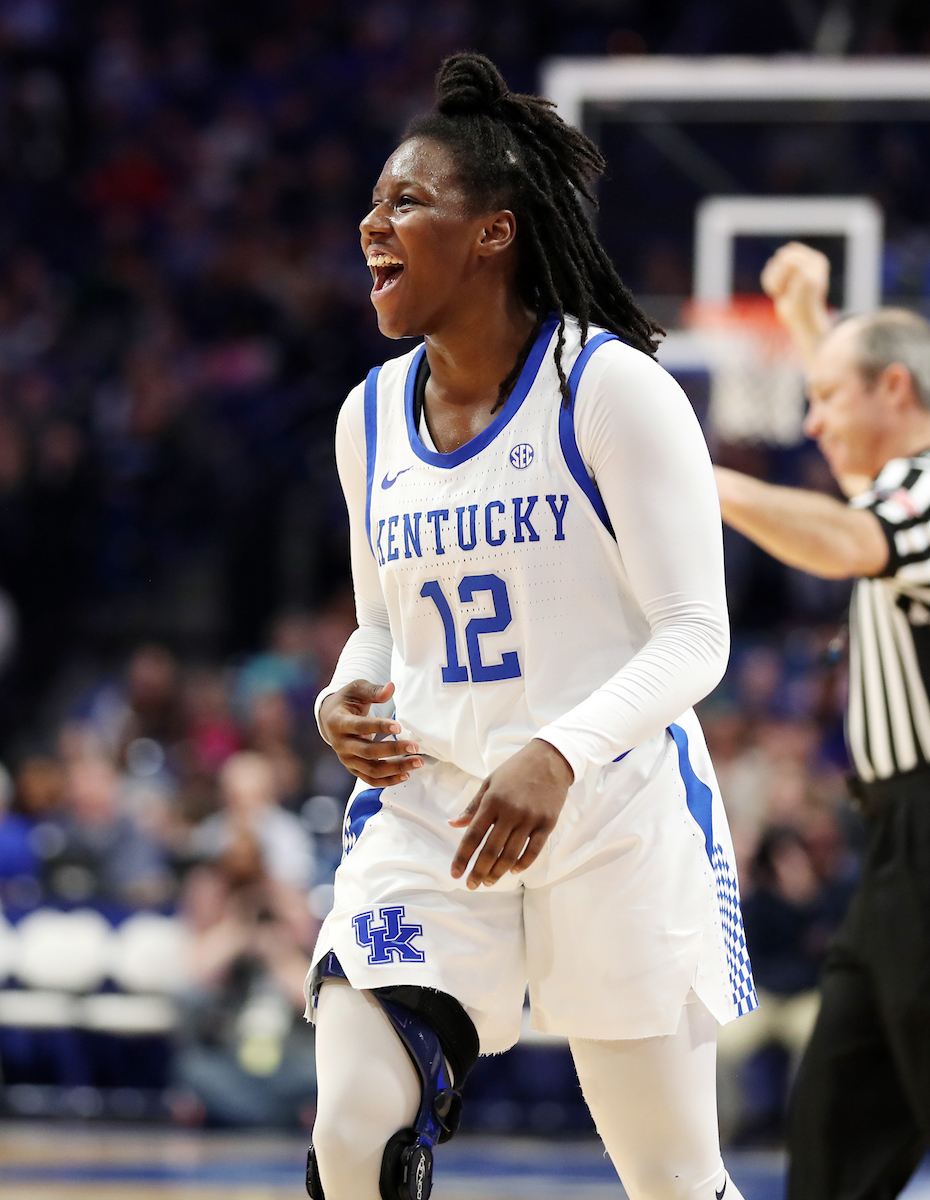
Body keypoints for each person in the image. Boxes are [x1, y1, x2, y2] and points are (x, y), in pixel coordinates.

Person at [308, 54, 755, 1200]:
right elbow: (379, 627)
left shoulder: (613, 391)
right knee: (356, 1130)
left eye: (407, 201)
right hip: (428, 805)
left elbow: (696, 635)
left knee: (670, 1179)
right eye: (372, 204)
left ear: (495, 234)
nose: (373, 224)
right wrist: (344, 692)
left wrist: (557, 752)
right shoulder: (368, 417)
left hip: (610, 807)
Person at [715, 242, 930, 1200]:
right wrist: (808, 321)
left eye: (829, 399)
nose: (810, 419)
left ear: (898, 390)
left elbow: (850, 539)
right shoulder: (894, 494)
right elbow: (860, 506)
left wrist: (692, 475)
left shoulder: (921, 491)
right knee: (834, 1126)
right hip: (895, 851)